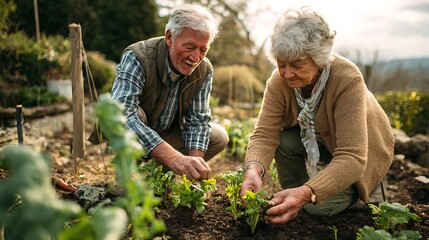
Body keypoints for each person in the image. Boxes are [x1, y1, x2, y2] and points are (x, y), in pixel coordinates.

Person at [239, 6, 395, 225]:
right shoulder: (279, 81)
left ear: (319, 59)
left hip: (363, 153)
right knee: (284, 141)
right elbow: (264, 134)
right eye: (281, 64)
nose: (287, 73)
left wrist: (308, 193)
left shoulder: (347, 79)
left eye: (297, 65)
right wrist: (254, 169)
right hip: (322, 140)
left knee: (318, 207)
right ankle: (295, 196)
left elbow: (352, 156)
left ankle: (337, 195)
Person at [90, 3, 228, 181]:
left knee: (218, 136)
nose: (196, 58)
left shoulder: (204, 69)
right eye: (189, 47)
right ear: (169, 37)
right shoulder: (138, 56)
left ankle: (159, 176)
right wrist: (175, 158)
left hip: (166, 132)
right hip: (133, 133)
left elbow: (198, 120)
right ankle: (127, 173)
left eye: (203, 49)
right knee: (125, 114)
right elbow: (123, 114)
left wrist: (195, 167)